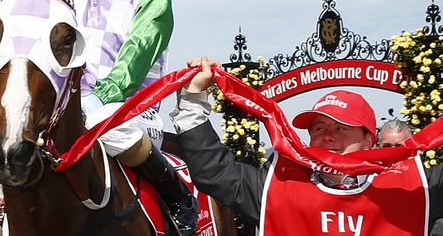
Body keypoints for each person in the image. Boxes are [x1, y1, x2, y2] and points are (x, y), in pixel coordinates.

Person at [0, 0, 197, 234]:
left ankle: (177, 194)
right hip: (70, 107)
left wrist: (100, 97)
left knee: (107, 128)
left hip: (129, 108)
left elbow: (135, 58)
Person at [170, 57, 443, 235]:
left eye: (341, 128)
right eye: (319, 129)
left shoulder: (413, 186)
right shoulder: (278, 186)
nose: (328, 136)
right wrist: (193, 97)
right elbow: (214, 172)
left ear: (370, 139)